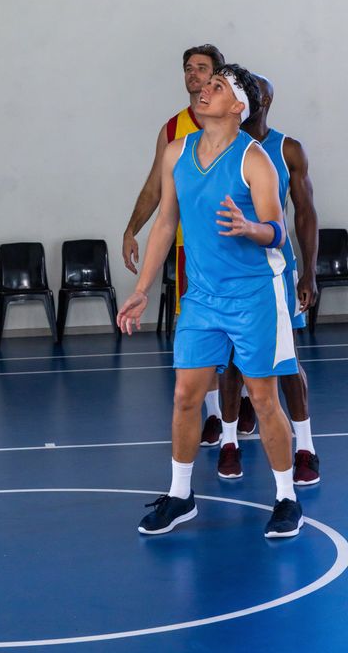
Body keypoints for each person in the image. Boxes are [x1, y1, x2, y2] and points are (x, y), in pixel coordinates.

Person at [117, 65, 304, 539]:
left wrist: (250, 229)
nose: (203, 89)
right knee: (185, 396)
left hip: (254, 297)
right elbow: (164, 225)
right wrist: (141, 290)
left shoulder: (255, 160)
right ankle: (181, 496)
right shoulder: (177, 153)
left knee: (262, 399)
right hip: (201, 298)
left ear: (238, 107)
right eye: (203, 84)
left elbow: (278, 231)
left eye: (216, 86)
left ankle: (287, 498)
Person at [217, 75, 319, 487]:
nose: (251, 95)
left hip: (276, 272)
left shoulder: (286, 149)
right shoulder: (221, 147)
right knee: (229, 364)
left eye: (256, 89)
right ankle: (229, 443)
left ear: (267, 101)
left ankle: (306, 448)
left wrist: (309, 270)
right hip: (230, 274)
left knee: (288, 361)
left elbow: (306, 213)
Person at [122, 42, 226, 444]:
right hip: (190, 251)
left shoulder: (238, 123)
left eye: (202, 68)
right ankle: (216, 415)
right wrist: (132, 228)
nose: (193, 75)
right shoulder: (173, 129)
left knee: (239, 337)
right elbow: (154, 187)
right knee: (202, 334)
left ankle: (240, 407)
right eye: (188, 68)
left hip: (237, 250)